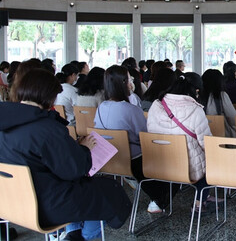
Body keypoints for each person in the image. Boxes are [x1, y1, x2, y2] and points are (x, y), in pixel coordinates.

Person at [0, 69, 131, 240]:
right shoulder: (45, 128)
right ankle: (82, 237)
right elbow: (75, 170)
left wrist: (70, 148)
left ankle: (72, 231)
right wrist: (83, 149)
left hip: (11, 201)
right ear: (48, 96)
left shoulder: (6, 124)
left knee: (87, 190)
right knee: (111, 191)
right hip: (47, 205)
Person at [94, 65, 170, 214]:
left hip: (110, 159)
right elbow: (144, 136)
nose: (132, 82)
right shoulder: (130, 109)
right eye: (130, 79)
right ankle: (159, 199)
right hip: (134, 160)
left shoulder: (101, 107)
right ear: (123, 83)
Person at [147, 72, 219, 211]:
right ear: (196, 90)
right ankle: (200, 202)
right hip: (186, 167)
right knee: (210, 159)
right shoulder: (195, 109)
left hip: (158, 162)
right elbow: (207, 144)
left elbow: (150, 130)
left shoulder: (156, 104)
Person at [201, 69, 236, 137]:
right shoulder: (221, 95)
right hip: (221, 137)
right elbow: (233, 118)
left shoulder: (198, 97)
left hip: (204, 137)